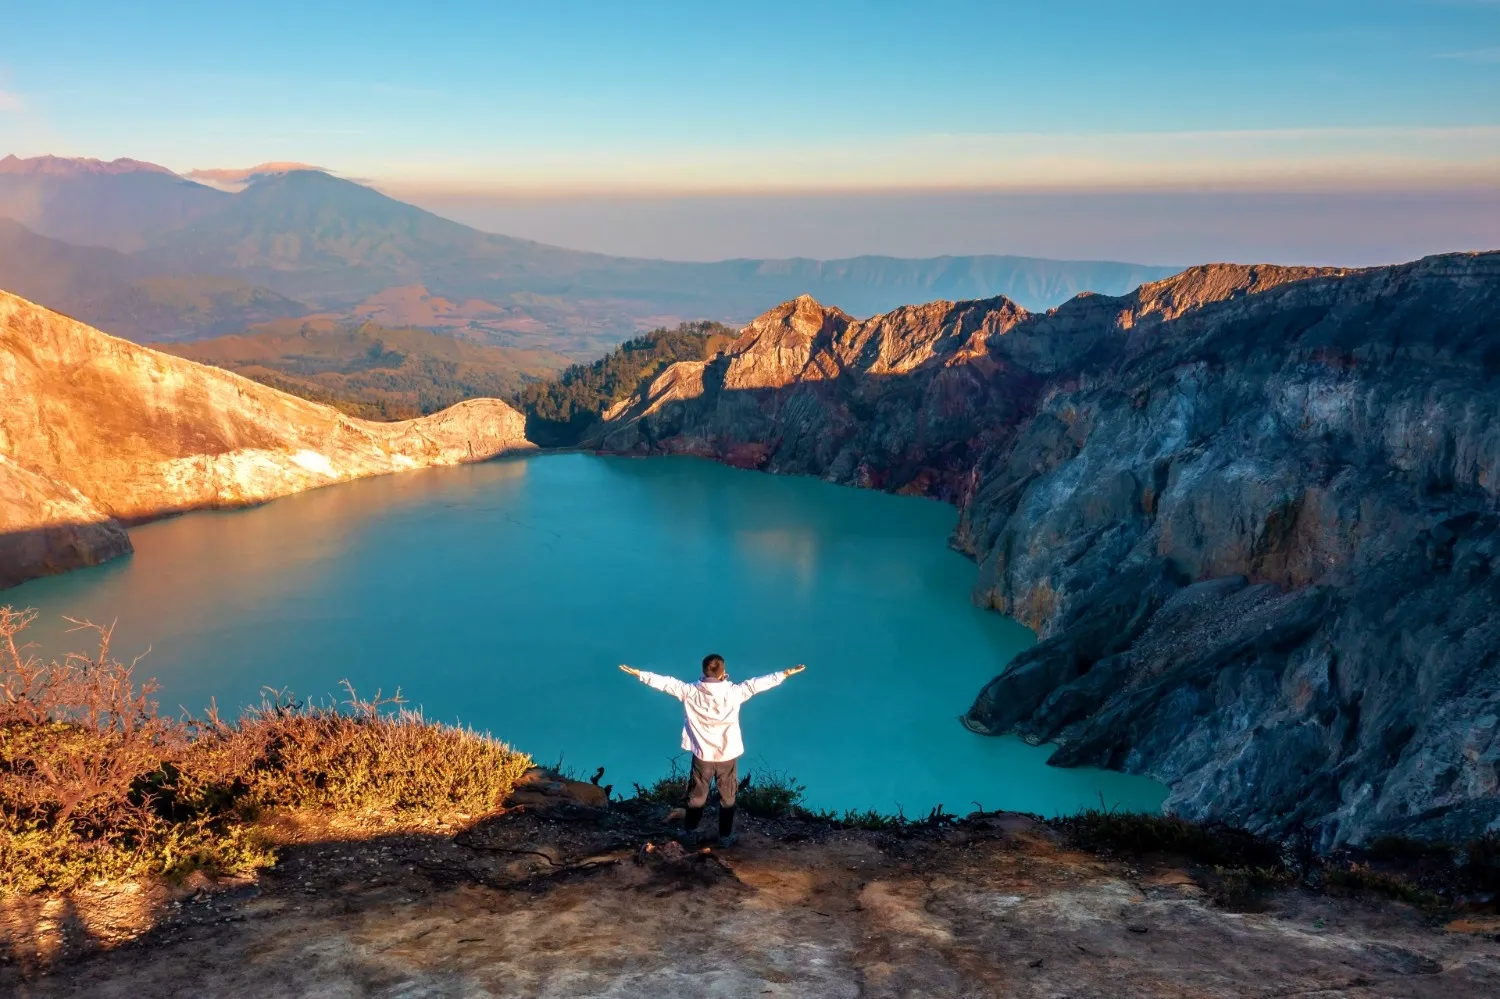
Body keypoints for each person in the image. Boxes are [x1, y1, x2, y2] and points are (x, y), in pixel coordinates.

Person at [620, 654, 805, 847]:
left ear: (703, 670)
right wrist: (784, 674)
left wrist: (640, 674)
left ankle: (689, 832)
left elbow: (665, 683)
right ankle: (725, 837)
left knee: (697, 796)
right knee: (728, 797)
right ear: (723, 672)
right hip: (727, 754)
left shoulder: (689, 691)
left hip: (703, 754)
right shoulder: (735, 692)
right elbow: (757, 684)